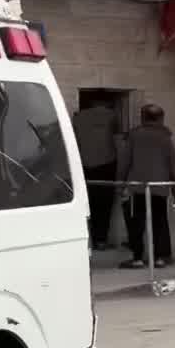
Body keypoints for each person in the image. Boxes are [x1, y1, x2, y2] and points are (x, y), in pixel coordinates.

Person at [117, 103, 175, 269]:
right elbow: (173, 166)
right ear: (161, 118)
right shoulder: (166, 137)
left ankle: (137, 258)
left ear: (143, 117)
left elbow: (124, 162)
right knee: (160, 221)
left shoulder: (134, 136)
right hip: (160, 187)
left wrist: (120, 185)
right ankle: (160, 257)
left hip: (136, 186)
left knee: (135, 222)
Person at [73, 95, 121, 251]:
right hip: (107, 165)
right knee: (105, 203)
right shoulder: (112, 115)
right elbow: (118, 140)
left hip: (84, 165)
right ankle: (101, 240)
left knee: (88, 203)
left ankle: (87, 239)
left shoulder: (78, 117)